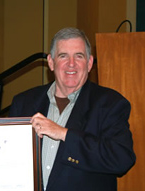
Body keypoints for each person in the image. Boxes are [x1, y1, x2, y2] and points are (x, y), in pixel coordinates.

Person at [9, 27, 136, 191]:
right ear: (51, 62)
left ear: (89, 63)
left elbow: (121, 159)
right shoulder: (23, 102)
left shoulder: (110, 104)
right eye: (63, 56)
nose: (71, 63)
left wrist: (64, 134)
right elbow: (7, 157)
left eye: (79, 56)